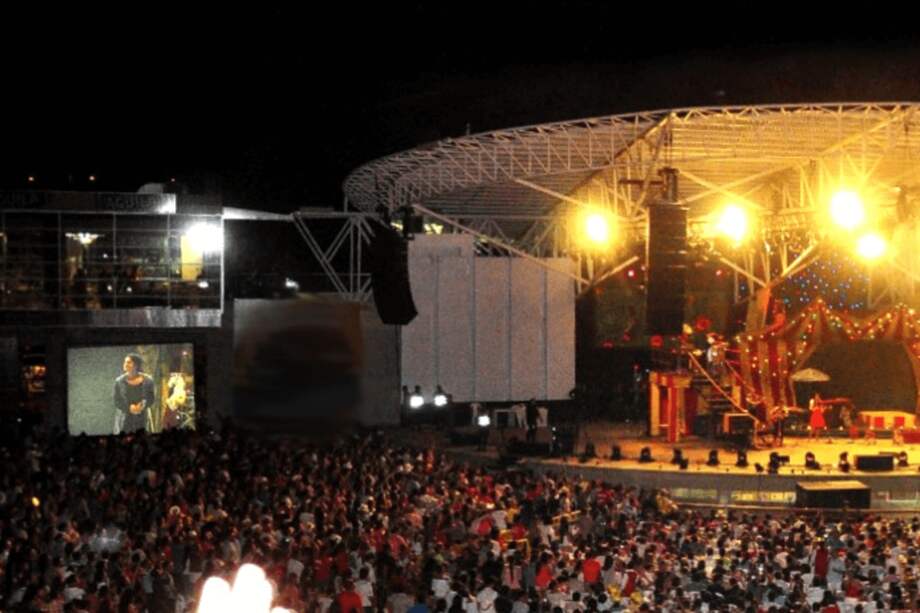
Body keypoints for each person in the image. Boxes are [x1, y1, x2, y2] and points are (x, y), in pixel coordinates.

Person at [113, 353, 156, 434]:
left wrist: (143, 405)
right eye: (125, 362)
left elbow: (151, 398)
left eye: (129, 362)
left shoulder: (148, 380)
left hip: (142, 418)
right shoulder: (119, 381)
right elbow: (116, 401)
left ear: (136, 365)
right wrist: (129, 408)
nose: (125, 364)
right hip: (124, 419)